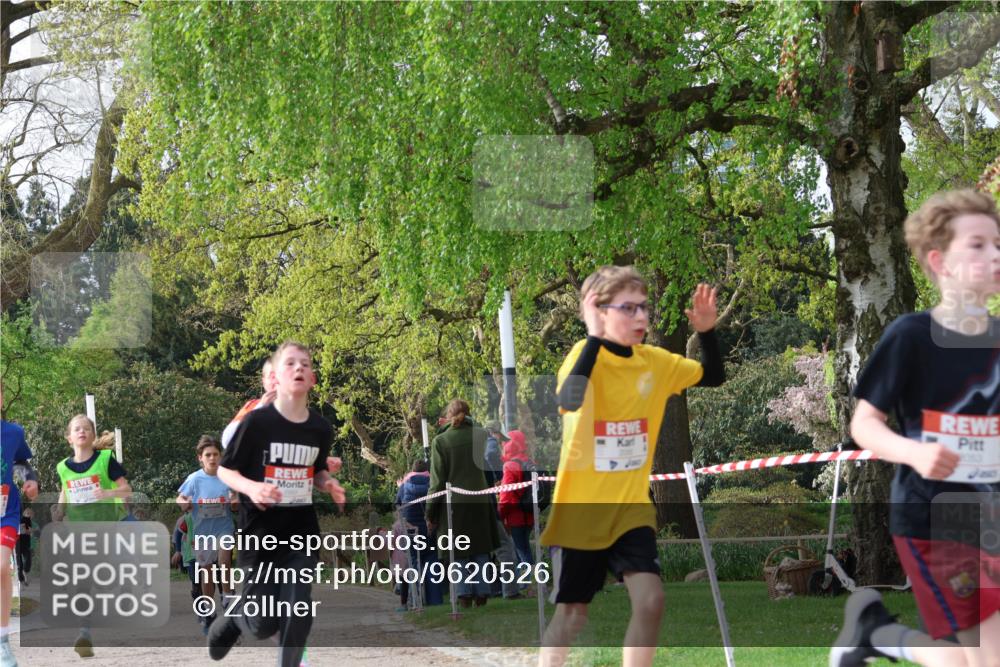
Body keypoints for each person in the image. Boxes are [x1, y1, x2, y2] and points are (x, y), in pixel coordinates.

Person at [830, 189, 1000, 667]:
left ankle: (876, 631)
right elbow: (864, 425)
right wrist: (914, 452)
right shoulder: (911, 335)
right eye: (978, 245)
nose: (995, 254)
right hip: (932, 517)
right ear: (939, 261)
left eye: (998, 244)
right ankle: (878, 634)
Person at [538, 266, 724, 667]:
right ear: (600, 311)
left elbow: (712, 376)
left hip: (631, 508)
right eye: (629, 309)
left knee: (652, 599)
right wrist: (592, 337)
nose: (642, 318)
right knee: (572, 616)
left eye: (644, 308)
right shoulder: (581, 358)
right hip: (582, 511)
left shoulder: (655, 363)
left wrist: (707, 332)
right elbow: (570, 399)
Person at [209, 341, 346, 667]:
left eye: (305, 364)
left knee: (298, 606)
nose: (298, 368)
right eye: (289, 364)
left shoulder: (320, 428)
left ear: (312, 378)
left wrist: (327, 482)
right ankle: (236, 619)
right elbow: (226, 470)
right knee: (262, 624)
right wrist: (252, 487)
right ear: (276, 378)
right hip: (260, 532)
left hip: (301, 531)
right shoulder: (255, 423)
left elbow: (315, 469)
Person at [53, 414, 132, 658]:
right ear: (69, 438)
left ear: (93, 435)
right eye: (77, 429)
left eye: (86, 429)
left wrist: (107, 493)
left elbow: (126, 489)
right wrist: (59, 510)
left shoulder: (106, 460)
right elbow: (65, 490)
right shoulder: (62, 467)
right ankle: (84, 633)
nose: (82, 432)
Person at [425, 399, 502, 608]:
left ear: (448, 417)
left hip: (454, 504)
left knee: (457, 551)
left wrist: (430, 513)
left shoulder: (441, 442)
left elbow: (437, 482)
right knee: (480, 549)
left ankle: (463, 593)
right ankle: (483, 591)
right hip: (480, 500)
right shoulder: (480, 435)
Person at [177, 435, 237, 634]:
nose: (212, 458)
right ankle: (209, 611)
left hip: (224, 528)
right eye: (208, 455)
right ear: (200, 458)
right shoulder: (195, 479)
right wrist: (183, 503)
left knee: (224, 560)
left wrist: (235, 500)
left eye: (216, 454)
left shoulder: (227, 476)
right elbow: (181, 496)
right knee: (207, 572)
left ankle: (228, 600)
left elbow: (236, 496)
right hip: (203, 532)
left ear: (221, 456)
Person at [1, 384, 39, 667]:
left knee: (2, 567)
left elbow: (21, 463)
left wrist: (30, 480)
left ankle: (2, 644)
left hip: (6, 511)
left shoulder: (14, 432)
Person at [394, 457, 443, 607]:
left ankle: (416, 600)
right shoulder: (433, 484)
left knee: (414, 563)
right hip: (431, 530)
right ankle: (435, 600)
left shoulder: (405, 486)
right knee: (432, 563)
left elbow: (397, 505)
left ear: (413, 471)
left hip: (411, 530)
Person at [498, 430, 537, 574]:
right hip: (530, 514)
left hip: (515, 516)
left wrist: (500, 515)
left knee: (521, 552)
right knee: (524, 548)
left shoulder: (510, 465)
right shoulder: (530, 462)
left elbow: (506, 496)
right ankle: (530, 583)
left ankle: (532, 584)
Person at [221, 360, 276, 449]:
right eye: (272, 376)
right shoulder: (252, 406)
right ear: (264, 381)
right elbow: (227, 440)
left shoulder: (298, 410)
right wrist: (260, 408)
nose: (276, 380)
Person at [171, 510, 201, 616]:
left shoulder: (210, 517)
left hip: (206, 554)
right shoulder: (188, 518)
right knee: (196, 582)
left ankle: (204, 605)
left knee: (207, 580)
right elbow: (178, 534)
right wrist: (178, 551)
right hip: (191, 555)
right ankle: (198, 601)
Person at [15, 508, 32, 586]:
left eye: (30, 513)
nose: (28, 514)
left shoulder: (28, 521)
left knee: (28, 559)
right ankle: (21, 581)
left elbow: (30, 531)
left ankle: (25, 571)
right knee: (20, 564)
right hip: (17, 543)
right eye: (27, 513)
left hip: (26, 543)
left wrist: (25, 530)